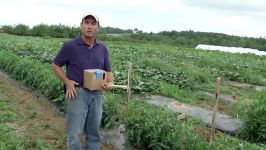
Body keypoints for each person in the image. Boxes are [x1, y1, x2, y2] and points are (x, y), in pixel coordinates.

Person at [52, 13, 114, 150]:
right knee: (74, 133)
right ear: (81, 26)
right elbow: (56, 65)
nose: (89, 26)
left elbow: (108, 70)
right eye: (86, 22)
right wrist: (67, 81)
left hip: (97, 94)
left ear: (98, 28)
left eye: (93, 23)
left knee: (94, 131)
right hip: (77, 93)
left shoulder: (103, 48)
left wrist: (110, 84)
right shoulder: (70, 45)